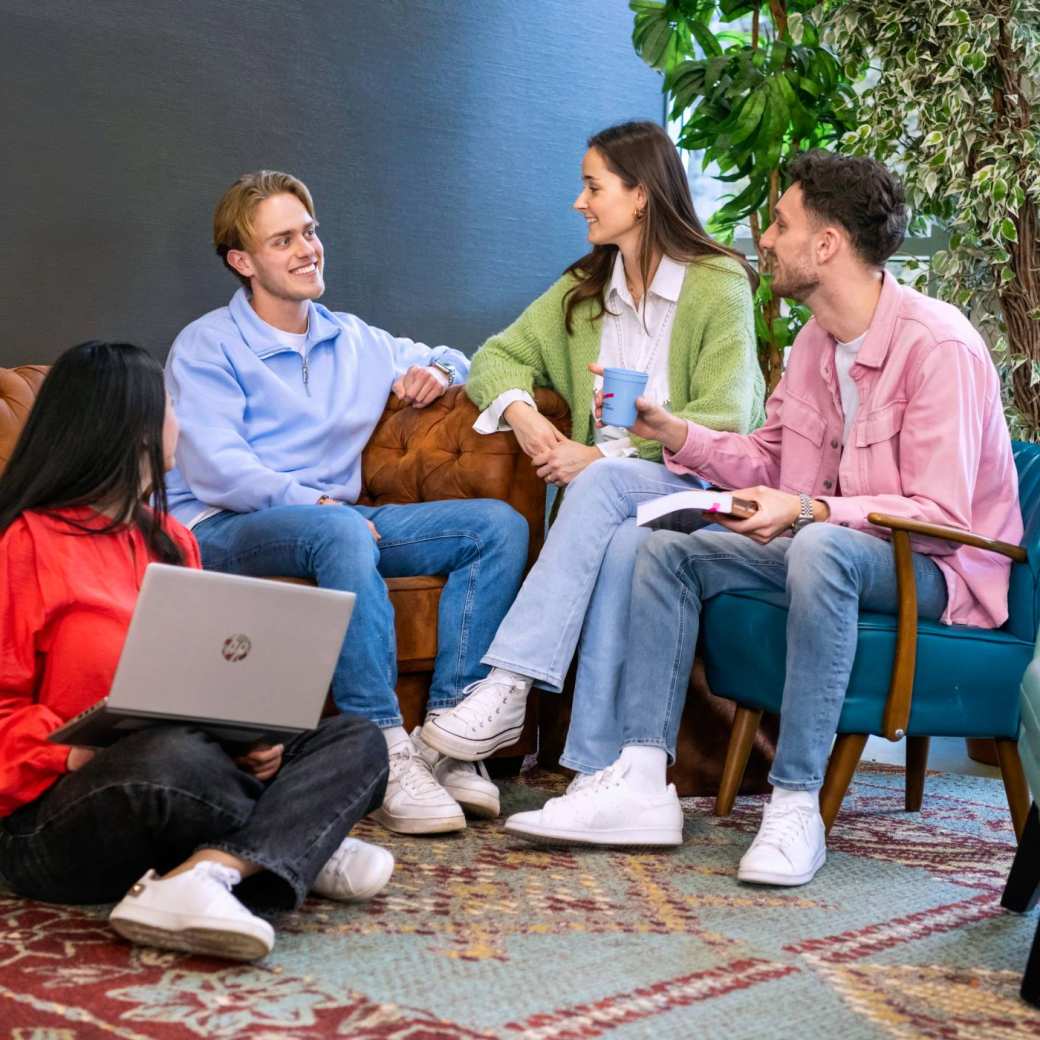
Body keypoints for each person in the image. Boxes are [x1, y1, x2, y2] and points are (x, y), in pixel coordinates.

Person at [499, 151, 1023, 886]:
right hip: (832, 543)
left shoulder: (939, 346)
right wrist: (672, 431)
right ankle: (644, 777)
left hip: (935, 569)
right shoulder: (815, 342)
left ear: (827, 245)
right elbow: (771, 456)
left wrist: (809, 509)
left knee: (821, 550)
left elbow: (938, 515)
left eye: (781, 224)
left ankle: (796, 802)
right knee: (664, 552)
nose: (765, 239)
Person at [0, 341, 395, 961]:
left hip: (185, 777)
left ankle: (206, 872)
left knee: (356, 741)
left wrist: (248, 742)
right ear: (130, 430)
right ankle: (290, 841)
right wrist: (77, 752)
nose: (180, 424)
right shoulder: (23, 544)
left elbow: (200, 681)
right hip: (53, 818)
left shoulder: (174, 539)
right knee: (167, 756)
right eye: (171, 408)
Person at [165, 171, 529, 836]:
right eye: (284, 240)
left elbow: (455, 356)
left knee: (497, 526)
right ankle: (383, 745)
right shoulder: (207, 344)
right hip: (223, 528)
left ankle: (448, 743)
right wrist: (320, 503)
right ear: (243, 262)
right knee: (341, 532)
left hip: (340, 525)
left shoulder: (355, 340)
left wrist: (440, 372)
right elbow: (217, 470)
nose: (308, 249)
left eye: (310, 231)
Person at [421, 121, 764, 777]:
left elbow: (730, 415)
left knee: (600, 488)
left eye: (592, 186)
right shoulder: (586, 288)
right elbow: (497, 356)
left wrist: (603, 460)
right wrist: (523, 417)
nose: (580, 201)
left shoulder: (717, 282)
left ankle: (507, 685)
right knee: (624, 542)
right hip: (610, 510)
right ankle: (593, 770)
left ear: (640, 195)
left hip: (695, 488)